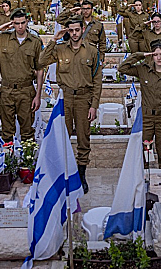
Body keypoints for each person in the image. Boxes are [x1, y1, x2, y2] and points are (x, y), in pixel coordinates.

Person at [38, 17, 103, 193]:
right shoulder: (59, 49)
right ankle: (63, 174)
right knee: (62, 138)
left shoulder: (91, 51)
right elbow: (41, 61)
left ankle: (81, 176)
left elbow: (97, 80)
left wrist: (94, 105)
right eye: (71, 30)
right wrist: (53, 39)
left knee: (83, 139)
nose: (74, 33)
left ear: (82, 29)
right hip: (65, 99)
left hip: (84, 99)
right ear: (67, 31)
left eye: (77, 29)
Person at [0, 8, 44, 143]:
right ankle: (8, 159)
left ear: (27, 22)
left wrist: (38, 95)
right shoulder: (3, 38)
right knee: (7, 131)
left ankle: (26, 160)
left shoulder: (35, 41)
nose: (20, 26)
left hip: (26, 90)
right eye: (16, 23)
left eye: (23, 23)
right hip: (7, 90)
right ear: (12, 23)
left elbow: (40, 69)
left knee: (27, 131)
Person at [118, 40, 161, 168]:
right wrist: (141, 55)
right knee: (144, 154)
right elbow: (122, 67)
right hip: (146, 119)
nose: (158, 58)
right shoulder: (144, 70)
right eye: (155, 54)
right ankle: (145, 183)